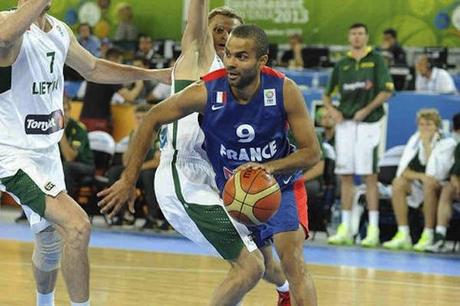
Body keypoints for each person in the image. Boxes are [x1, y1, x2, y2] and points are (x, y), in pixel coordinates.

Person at [98, 23, 320, 306]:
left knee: (292, 260)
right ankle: (284, 293)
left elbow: (312, 153)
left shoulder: (283, 89)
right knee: (259, 265)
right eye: (228, 54)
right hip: (234, 192)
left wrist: (270, 168)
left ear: (262, 61)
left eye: (241, 56)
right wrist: (128, 180)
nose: (231, 62)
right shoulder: (208, 90)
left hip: (280, 185)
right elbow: (153, 117)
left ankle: (289, 293)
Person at [0, 1, 170, 306]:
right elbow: (4, 39)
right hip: (13, 154)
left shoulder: (59, 30)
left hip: (46, 150)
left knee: (49, 242)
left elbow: (93, 68)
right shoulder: (8, 22)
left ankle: (44, 303)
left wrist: (152, 74)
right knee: (78, 227)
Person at [323, 23, 394, 247]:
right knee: (345, 176)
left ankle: (372, 229)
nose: (357, 37)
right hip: (345, 125)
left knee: (369, 176)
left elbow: (387, 90)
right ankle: (345, 227)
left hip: (368, 124)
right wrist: (333, 111)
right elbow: (326, 95)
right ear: (348, 37)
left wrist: (367, 109)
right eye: (353, 33)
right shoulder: (342, 64)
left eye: (361, 33)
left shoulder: (376, 59)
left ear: (366, 36)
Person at [383, 109, 457, 251]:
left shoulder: (448, 143)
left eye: (428, 124)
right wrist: (420, 176)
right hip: (421, 183)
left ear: (437, 126)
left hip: (441, 186)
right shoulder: (415, 139)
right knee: (398, 183)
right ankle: (403, 233)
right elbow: (403, 171)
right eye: (421, 125)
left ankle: (428, 234)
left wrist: (427, 145)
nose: (424, 128)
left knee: (429, 182)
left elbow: (437, 173)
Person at [106, 104, 163, 229]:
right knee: (114, 172)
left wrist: (135, 169)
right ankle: (124, 215)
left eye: (144, 118)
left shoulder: (159, 132)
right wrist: (136, 137)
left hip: (154, 171)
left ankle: (152, 217)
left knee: (147, 175)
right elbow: (126, 162)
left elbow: (157, 161)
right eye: (138, 118)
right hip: (139, 170)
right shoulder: (133, 133)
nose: (141, 121)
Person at [79, 47, 145, 133]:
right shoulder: (110, 74)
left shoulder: (97, 70)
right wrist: (139, 84)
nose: (121, 65)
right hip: (99, 122)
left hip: (84, 118)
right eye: (120, 61)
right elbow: (129, 97)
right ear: (114, 60)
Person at [60, 97, 95, 200]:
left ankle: (67, 206)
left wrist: (61, 130)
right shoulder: (49, 127)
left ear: (70, 111)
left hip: (85, 165)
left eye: (65, 110)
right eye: (60, 111)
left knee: (67, 166)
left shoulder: (78, 128)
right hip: (63, 165)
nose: (63, 114)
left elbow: (70, 157)